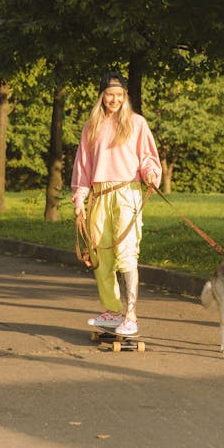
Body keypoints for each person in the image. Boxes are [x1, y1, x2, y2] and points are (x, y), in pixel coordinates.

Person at [72, 70, 162, 338]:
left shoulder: (136, 123)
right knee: (101, 257)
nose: (114, 100)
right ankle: (112, 311)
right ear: (101, 97)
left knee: (126, 253)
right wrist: (79, 199)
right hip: (99, 196)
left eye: (119, 95)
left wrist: (151, 174)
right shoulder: (92, 126)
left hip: (126, 192)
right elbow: (83, 167)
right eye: (109, 95)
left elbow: (147, 157)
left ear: (125, 97)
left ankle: (131, 316)